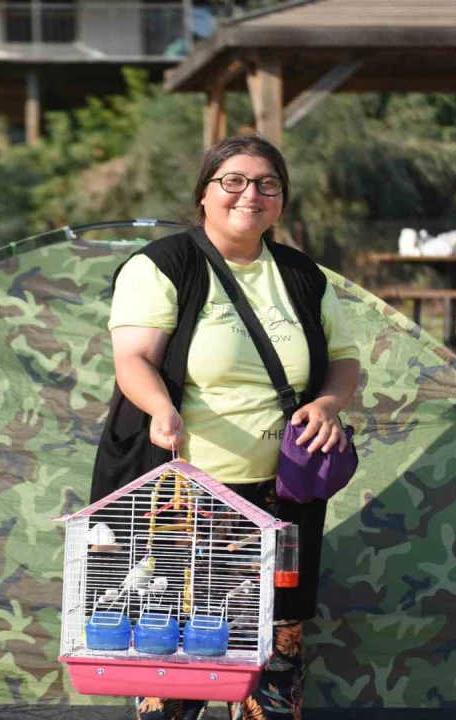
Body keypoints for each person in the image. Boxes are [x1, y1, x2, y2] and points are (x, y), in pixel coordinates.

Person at [90, 135, 361, 719]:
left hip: (283, 496)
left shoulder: (303, 275)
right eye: (232, 181)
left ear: (282, 199)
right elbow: (133, 359)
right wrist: (160, 409)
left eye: (267, 183)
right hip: (181, 494)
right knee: (174, 649)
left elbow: (343, 359)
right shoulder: (163, 265)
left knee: (277, 649)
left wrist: (328, 404)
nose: (250, 195)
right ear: (204, 194)